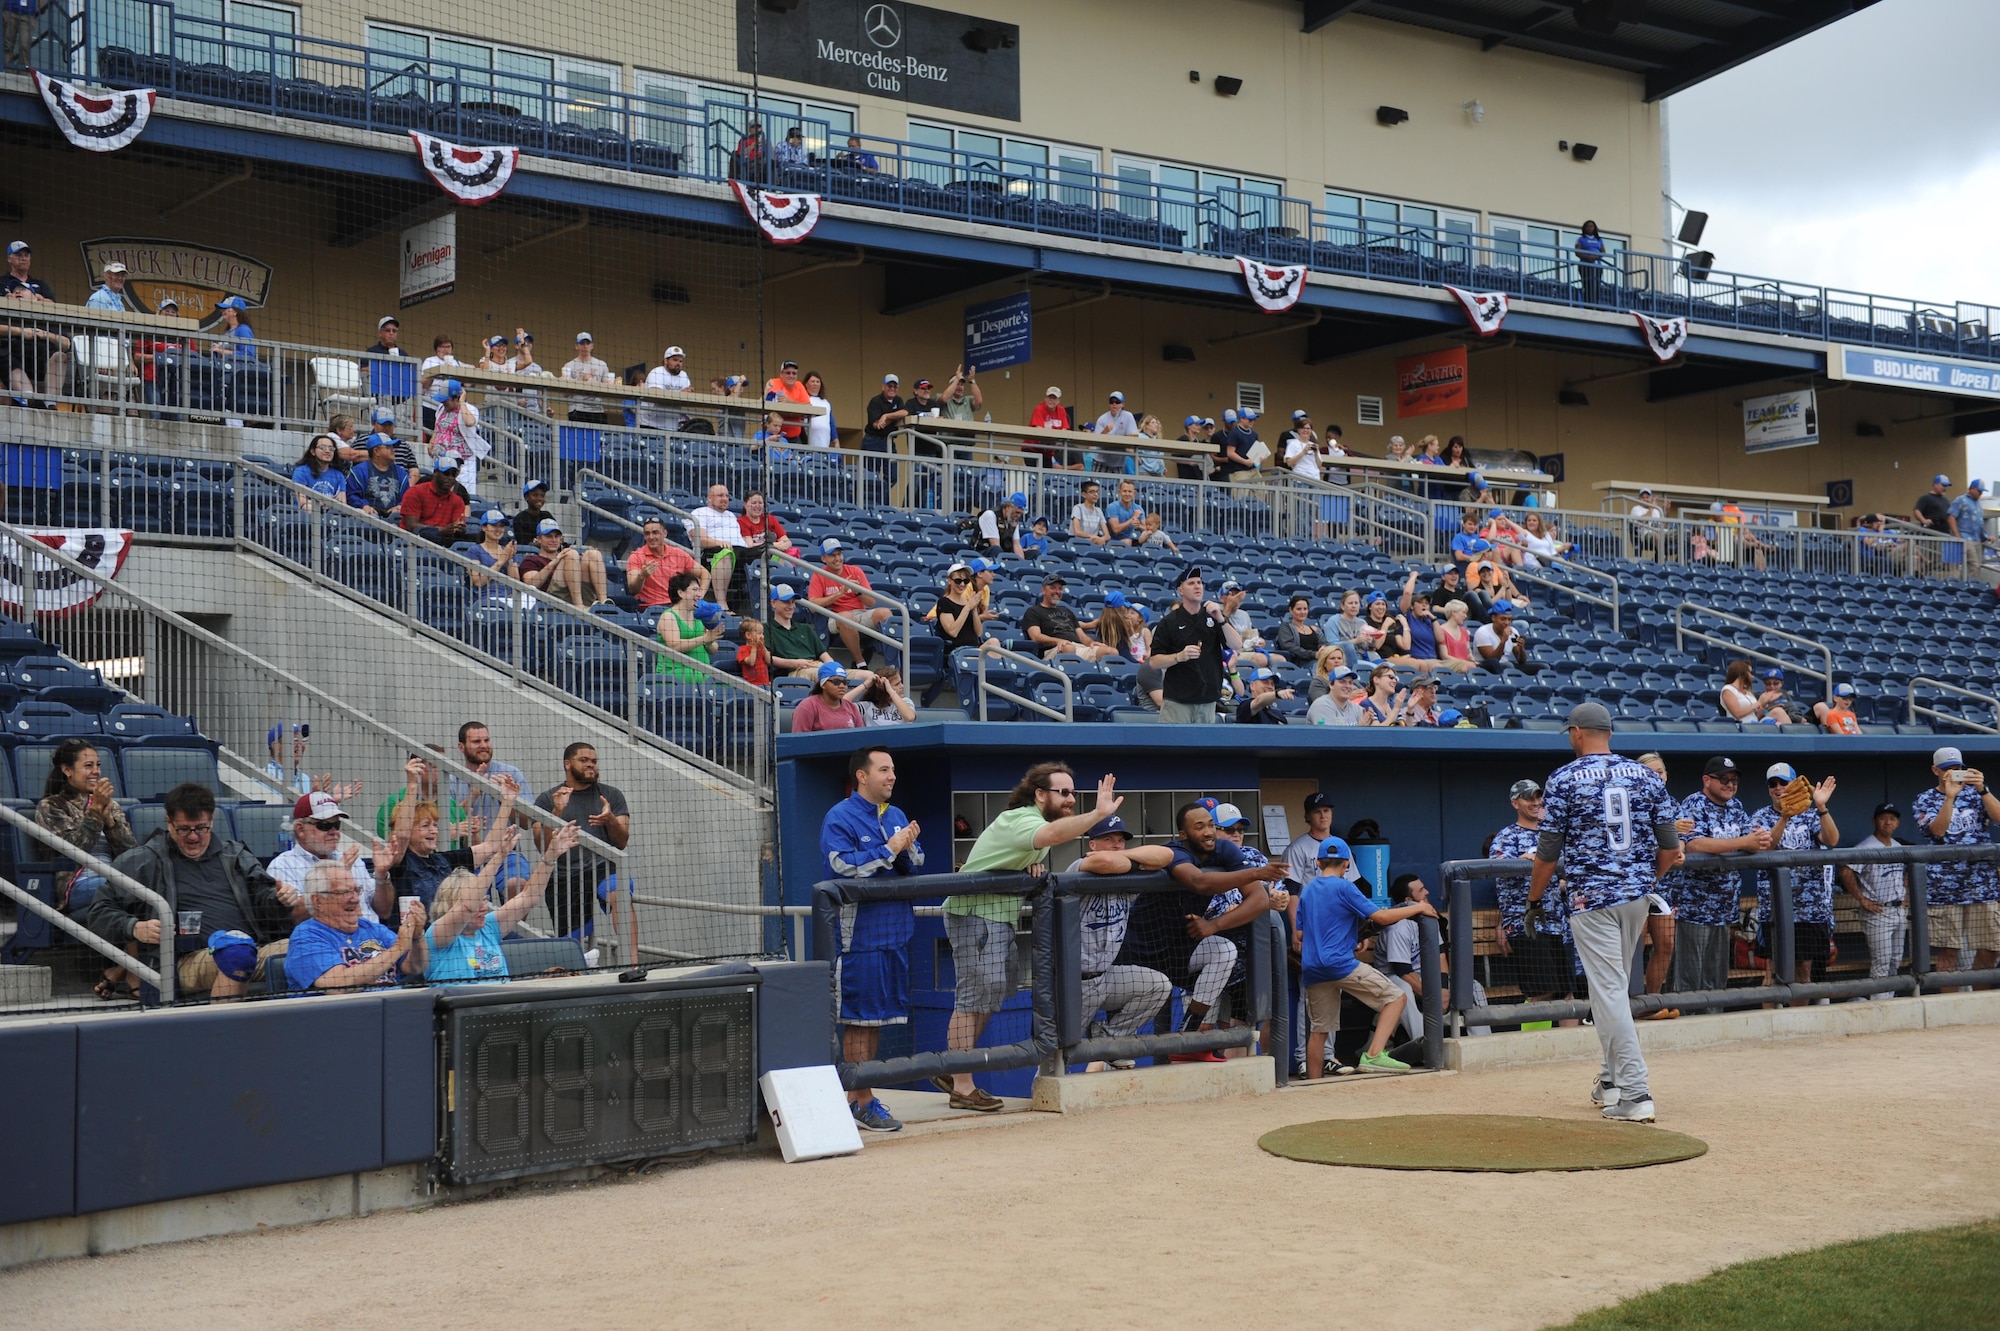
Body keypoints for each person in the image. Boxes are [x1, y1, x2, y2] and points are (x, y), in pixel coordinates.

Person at [1529, 702, 1679, 1123]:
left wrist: (1534, 899)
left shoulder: (1564, 777)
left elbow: (1547, 851)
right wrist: (1647, 880)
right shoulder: (1646, 775)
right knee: (1606, 989)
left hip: (1590, 899)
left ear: (1577, 732)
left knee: (1609, 992)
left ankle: (1635, 1092)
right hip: (1635, 897)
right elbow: (1669, 847)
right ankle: (1611, 1080)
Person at [939, 765, 1121, 1110]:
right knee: (973, 997)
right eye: (1062, 793)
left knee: (990, 997)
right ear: (1040, 794)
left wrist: (1027, 866)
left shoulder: (1034, 824)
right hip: (974, 915)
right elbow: (1051, 835)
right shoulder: (1021, 819)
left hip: (998, 919)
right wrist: (1097, 813)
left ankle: (953, 1069)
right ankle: (962, 1084)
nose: (1069, 800)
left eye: (1072, 793)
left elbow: (1038, 842)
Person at [90, 783, 299, 1000]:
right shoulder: (141, 862)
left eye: (201, 828)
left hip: (252, 949)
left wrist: (279, 899)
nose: (193, 837)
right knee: (235, 953)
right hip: (184, 961)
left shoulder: (235, 856)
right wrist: (133, 927)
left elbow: (264, 901)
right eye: (183, 829)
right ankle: (219, 1032)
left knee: (312, 942)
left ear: (212, 820)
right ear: (168, 822)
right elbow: (98, 912)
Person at [1114, 800, 1285, 1060]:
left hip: (1181, 953)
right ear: (1183, 834)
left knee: (1224, 950)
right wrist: (1257, 873)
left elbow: (1260, 900)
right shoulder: (1176, 852)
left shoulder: (1224, 849)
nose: (1208, 832)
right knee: (1115, 1043)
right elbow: (1200, 882)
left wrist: (1213, 925)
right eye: (1199, 827)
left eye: (1211, 825)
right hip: (1140, 957)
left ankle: (1189, 1032)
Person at [822, 745, 925, 1132]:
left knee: (876, 1021)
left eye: (893, 770)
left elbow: (917, 864)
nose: (892, 776)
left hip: (896, 935)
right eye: (883, 770)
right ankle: (864, 1100)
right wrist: (890, 848)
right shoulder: (840, 816)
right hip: (858, 940)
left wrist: (906, 848)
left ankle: (854, 1097)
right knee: (859, 1021)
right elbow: (842, 866)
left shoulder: (896, 815)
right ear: (862, 776)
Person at [1299, 836, 1436, 1076]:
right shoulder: (1344, 886)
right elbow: (1380, 918)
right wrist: (1419, 907)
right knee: (1396, 998)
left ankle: (1313, 1085)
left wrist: (1351, 934)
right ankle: (1373, 1055)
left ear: (1319, 862)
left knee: (1319, 1031)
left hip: (1312, 968)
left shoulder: (1308, 890)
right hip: (1339, 964)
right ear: (1347, 864)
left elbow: (1302, 932)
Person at [39, 738, 139, 998]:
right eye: (88, 765)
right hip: (78, 883)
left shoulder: (111, 805)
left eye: (98, 765)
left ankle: (123, 970)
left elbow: (131, 854)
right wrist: (95, 813)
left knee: (139, 893)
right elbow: (73, 851)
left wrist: (110, 822)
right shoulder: (51, 807)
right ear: (67, 770)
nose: (96, 771)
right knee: (131, 893)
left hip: (113, 879)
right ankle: (134, 973)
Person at [1665, 756, 1767, 1001]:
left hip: (1725, 908)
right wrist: (1743, 842)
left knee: (1716, 979)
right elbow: (1695, 845)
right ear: (1707, 780)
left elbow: (1752, 841)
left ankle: (1714, 1026)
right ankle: (1687, 1029)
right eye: (1724, 779)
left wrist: (1759, 839)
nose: (1730, 784)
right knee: (1689, 979)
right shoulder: (1693, 804)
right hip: (1695, 908)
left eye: (1733, 780)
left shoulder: (1736, 807)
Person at [426, 824, 578, 983]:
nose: (483, 907)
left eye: (484, 900)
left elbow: (529, 897)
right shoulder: (438, 934)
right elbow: (467, 906)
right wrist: (499, 856)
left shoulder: (488, 928)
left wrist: (550, 857)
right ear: (451, 906)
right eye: (477, 900)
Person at [1750, 763, 1840, 1002]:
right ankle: (1771, 1029)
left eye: (1783, 783)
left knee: (1803, 971)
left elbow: (1831, 840)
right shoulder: (1760, 816)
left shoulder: (1810, 813)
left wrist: (1821, 806)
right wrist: (1784, 817)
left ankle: (1800, 1026)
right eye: (1773, 784)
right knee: (1772, 973)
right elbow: (1766, 847)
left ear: (1794, 785)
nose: (1778, 788)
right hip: (1775, 909)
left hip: (1809, 908)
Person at [534, 742, 632, 959]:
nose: (591, 765)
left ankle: (632, 965)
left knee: (620, 894)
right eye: (584, 760)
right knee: (570, 942)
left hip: (603, 868)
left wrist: (610, 820)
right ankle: (578, 971)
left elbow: (622, 841)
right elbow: (541, 844)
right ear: (567, 764)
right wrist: (556, 812)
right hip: (563, 875)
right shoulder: (547, 798)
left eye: (594, 761)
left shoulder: (611, 795)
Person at [1911, 746, 2000, 980]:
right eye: (1947, 769)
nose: (1953, 773)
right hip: (1944, 886)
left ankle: (1976, 1006)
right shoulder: (1925, 799)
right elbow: (1938, 832)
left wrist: (1983, 789)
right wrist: (1949, 797)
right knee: (1948, 951)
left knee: (1991, 948)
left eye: (1958, 769)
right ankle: (1948, 1008)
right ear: (1935, 771)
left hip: (1981, 884)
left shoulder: (1975, 794)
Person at [1490, 779, 1577, 1014]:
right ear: (1515, 803)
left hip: (1559, 923)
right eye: (1530, 798)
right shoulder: (1507, 835)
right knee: (1540, 991)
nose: (1536, 802)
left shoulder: (1553, 834)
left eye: (1539, 797)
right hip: (1526, 923)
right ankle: (1533, 1045)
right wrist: (1523, 859)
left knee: (1567, 992)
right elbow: (1497, 868)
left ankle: (1568, 1047)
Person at [378, 785, 520, 917]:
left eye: (435, 825)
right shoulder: (400, 863)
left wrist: (507, 802)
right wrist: (413, 784)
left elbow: (490, 846)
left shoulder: (444, 860)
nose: (433, 831)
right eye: (425, 826)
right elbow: (402, 836)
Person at [286, 861, 428, 991]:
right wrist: (397, 949)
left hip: (394, 1009)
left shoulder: (372, 929)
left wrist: (417, 937)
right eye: (345, 892)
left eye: (356, 890)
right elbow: (338, 986)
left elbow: (414, 967)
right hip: (346, 1014)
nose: (355, 898)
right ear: (318, 901)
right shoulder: (306, 936)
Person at [270, 789, 391, 923]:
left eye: (336, 825)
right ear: (300, 829)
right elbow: (294, 918)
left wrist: (381, 875)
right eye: (324, 825)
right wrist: (335, 876)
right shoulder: (283, 865)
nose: (334, 832)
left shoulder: (353, 861)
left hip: (375, 937)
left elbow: (384, 912)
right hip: (325, 940)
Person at [1148, 567, 1245, 723]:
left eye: (1199, 583)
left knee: (1203, 747)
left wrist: (1221, 618)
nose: (1197, 586)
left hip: (1208, 700)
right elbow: (1154, 662)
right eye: (1191, 583)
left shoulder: (1213, 617)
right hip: (1177, 701)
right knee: (1174, 746)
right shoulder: (1169, 622)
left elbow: (1236, 644)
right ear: (1180, 590)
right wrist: (1179, 656)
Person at [1837, 803, 1909, 999]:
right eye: (1883, 818)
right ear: (1874, 821)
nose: (1888, 822)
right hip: (1877, 912)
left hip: (1898, 911)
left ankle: (1887, 1002)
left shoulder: (1898, 846)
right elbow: (1845, 871)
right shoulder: (1866, 846)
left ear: (1898, 823)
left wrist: (1905, 894)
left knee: (1895, 961)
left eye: (1892, 818)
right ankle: (1878, 1007)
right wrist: (1862, 900)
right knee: (1882, 962)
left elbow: (1906, 871)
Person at [808, 538, 894, 667]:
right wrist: (839, 594)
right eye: (832, 555)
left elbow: (871, 602)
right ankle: (860, 662)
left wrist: (857, 591)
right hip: (835, 616)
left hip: (860, 613)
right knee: (846, 618)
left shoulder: (855, 571)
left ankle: (893, 663)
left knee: (885, 613)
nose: (837, 558)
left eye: (839, 554)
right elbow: (812, 606)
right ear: (824, 559)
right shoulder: (819, 575)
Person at [1022, 572, 1116, 662]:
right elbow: (1036, 636)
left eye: (1060, 589)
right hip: (1053, 650)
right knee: (1068, 648)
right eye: (1053, 588)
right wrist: (1058, 641)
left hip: (1077, 647)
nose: (1057, 591)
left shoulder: (1066, 611)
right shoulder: (1033, 611)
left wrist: (1091, 643)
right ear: (1043, 590)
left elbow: (1082, 636)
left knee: (1111, 652)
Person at [519, 518, 611, 609]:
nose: (554, 540)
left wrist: (582, 560)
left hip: (581, 594)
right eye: (549, 536)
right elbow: (531, 585)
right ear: (539, 539)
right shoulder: (531, 559)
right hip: (553, 600)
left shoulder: (570, 556)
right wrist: (554, 562)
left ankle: (604, 604)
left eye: (557, 536)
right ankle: (578, 606)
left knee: (593, 554)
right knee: (570, 554)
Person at [655, 570, 723, 681]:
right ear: (681, 593)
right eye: (695, 590)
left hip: (701, 671)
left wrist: (710, 641)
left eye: (699, 590)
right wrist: (704, 639)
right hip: (674, 674)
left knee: (726, 684)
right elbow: (674, 646)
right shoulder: (668, 616)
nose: (699, 594)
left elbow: (713, 649)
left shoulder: (699, 616)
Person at [624, 516, 706, 608]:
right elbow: (633, 590)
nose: (651, 537)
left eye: (655, 533)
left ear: (665, 533)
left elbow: (705, 574)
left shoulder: (678, 554)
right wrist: (642, 576)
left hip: (679, 605)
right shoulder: (636, 556)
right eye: (647, 533)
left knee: (715, 615)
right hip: (652, 607)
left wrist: (700, 594)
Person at [765, 583, 836, 679]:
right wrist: (795, 663)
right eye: (786, 602)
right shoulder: (766, 628)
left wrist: (835, 668)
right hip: (794, 672)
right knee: (828, 676)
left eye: (793, 602)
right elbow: (767, 658)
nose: (791, 606)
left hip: (816, 667)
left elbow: (824, 655)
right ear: (773, 603)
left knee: (862, 676)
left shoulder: (806, 628)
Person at [400, 456, 469, 544]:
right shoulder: (415, 492)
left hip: (443, 544)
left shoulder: (457, 500)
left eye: (453, 474)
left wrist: (459, 528)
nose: (450, 477)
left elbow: (456, 526)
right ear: (435, 473)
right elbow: (411, 526)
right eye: (446, 473)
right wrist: (441, 530)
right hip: (412, 542)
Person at [344, 433, 409, 521]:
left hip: (395, 518)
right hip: (368, 518)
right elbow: (351, 495)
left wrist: (400, 506)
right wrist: (364, 505)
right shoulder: (359, 471)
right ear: (376, 451)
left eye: (393, 447)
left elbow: (407, 496)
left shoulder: (401, 472)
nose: (393, 450)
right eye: (388, 447)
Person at [792, 661, 865, 732]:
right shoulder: (807, 706)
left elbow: (861, 738)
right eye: (836, 682)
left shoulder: (852, 708)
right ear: (823, 684)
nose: (842, 686)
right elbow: (799, 740)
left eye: (845, 682)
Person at [1472, 599, 1537, 675]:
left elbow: (1521, 660)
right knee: (1508, 665)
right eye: (1503, 619)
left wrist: (1521, 648)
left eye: (1509, 619)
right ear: (1493, 618)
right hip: (1486, 667)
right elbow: (1492, 660)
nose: (1506, 623)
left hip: (1506, 665)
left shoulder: (1513, 631)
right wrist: (1503, 641)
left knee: (1542, 667)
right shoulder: (1483, 632)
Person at [1719, 659, 1791, 725]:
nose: (1752, 676)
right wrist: (1759, 703)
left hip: (1755, 724)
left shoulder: (1748, 693)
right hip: (1741, 726)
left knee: (1778, 713)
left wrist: (1765, 703)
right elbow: (1737, 714)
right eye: (1750, 673)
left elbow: (1756, 715)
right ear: (1741, 673)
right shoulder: (1728, 690)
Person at [292, 428, 352, 505]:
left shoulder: (338, 475)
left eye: (331, 449)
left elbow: (342, 504)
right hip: (306, 514)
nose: (327, 451)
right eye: (322, 448)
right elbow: (302, 502)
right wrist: (327, 503)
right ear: (313, 451)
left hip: (331, 514)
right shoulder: (301, 471)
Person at [763, 359, 812, 444]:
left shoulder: (799, 385)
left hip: (795, 436)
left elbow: (808, 407)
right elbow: (768, 403)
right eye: (788, 373)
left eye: (794, 373)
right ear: (781, 374)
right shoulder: (774, 383)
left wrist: (789, 401)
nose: (791, 376)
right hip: (775, 435)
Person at [1272, 595, 1326, 667]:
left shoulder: (1315, 629)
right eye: (1299, 609)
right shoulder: (1286, 627)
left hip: (1320, 660)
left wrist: (1323, 648)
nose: (1302, 612)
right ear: (1291, 610)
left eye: (1305, 609)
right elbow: (1289, 647)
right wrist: (1314, 654)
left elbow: (1324, 643)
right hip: (1301, 663)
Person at [852, 666, 917, 725]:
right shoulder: (867, 707)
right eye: (897, 684)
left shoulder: (905, 701)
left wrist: (891, 691)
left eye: (901, 682)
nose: (902, 686)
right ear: (883, 689)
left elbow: (910, 717)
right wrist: (865, 685)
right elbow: (842, 704)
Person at [974, 492, 1027, 560]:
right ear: (1008, 507)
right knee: (996, 549)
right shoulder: (990, 515)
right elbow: (995, 544)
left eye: (1020, 513)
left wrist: (1022, 562)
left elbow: (1016, 544)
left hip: (1001, 552)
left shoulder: (1013, 519)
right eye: (1017, 512)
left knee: (1032, 553)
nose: (1018, 516)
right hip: (981, 552)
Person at [1948, 479, 1987, 567]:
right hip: (1965, 536)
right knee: (1974, 564)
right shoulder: (1961, 500)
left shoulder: (1978, 504)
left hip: (1977, 538)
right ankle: (1970, 581)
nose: (1981, 494)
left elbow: (1979, 522)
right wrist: (1957, 535)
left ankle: (1974, 581)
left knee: (1978, 565)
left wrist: (1986, 536)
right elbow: (1951, 517)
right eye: (1979, 491)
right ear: (1972, 489)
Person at [1628, 487, 1668, 560]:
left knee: (1682, 534)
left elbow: (1664, 527)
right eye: (1642, 497)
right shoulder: (1636, 509)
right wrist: (1651, 507)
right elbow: (1643, 521)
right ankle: (1662, 558)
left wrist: (1666, 511)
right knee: (1657, 536)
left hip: (1661, 532)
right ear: (1639, 499)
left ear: (1651, 498)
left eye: (1647, 497)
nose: (1645, 499)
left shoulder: (1657, 510)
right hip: (1645, 535)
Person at [512, 479, 553, 547]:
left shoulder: (547, 516)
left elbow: (557, 537)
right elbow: (524, 545)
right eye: (535, 495)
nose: (540, 498)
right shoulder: (520, 518)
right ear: (526, 497)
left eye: (542, 496)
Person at [800, 371, 836, 449]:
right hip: (807, 441)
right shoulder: (804, 400)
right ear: (806, 384)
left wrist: (836, 441)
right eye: (812, 381)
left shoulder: (826, 402)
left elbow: (831, 423)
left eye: (817, 381)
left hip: (824, 442)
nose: (815, 384)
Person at [1070, 480, 1112, 546]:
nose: (1096, 494)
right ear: (1084, 494)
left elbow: (1107, 535)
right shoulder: (1078, 508)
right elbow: (1077, 532)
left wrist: (1102, 539)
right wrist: (1093, 537)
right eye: (1092, 492)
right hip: (1079, 543)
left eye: (1097, 492)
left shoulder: (1099, 511)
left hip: (1095, 543)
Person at [1575, 220, 1606, 304]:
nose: (1589, 228)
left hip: (1597, 266)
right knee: (1587, 285)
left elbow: (1603, 252)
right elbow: (1577, 252)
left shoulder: (1599, 240)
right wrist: (1588, 257)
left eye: (1591, 226)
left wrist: (1596, 257)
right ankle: (1588, 304)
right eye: (1587, 226)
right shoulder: (1581, 239)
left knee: (1597, 286)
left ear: (1594, 228)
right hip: (1585, 265)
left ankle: (1596, 303)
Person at [735, 619, 771, 686]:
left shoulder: (761, 649)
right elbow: (751, 662)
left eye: (762, 633)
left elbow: (769, 661)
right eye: (759, 633)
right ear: (748, 635)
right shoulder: (743, 649)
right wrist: (754, 648)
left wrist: (764, 648)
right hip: (751, 685)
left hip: (765, 684)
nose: (762, 636)